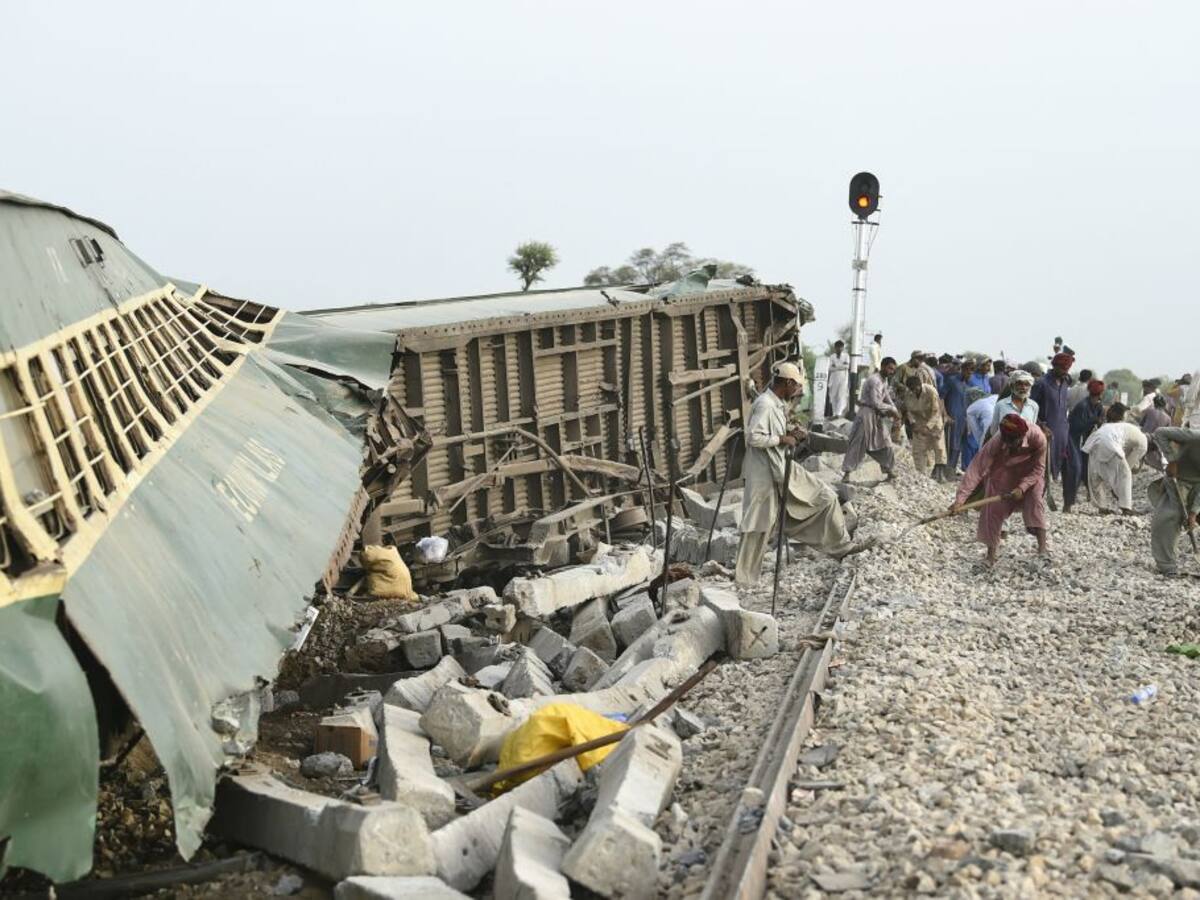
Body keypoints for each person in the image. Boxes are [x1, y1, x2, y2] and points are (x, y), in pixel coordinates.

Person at [735, 362, 868, 585]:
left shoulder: (775, 403)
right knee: (758, 524)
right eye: (795, 386)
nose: (797, 391)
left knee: (824, 498)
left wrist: (791, 432)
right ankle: (745, 580)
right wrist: (782, 439)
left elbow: (772, 432)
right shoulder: (765, 404)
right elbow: (753, 438)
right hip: (764, 473)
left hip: (780, 467)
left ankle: (841, 547)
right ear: (787, 383)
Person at [953, 414, 1048, 564]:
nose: (1009, 445)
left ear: (1022, 436)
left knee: (1036, 501)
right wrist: (960, 500)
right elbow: (977, 468)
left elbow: (1039, 468)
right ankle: (990, 556)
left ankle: (1043, 550)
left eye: (1013, 442)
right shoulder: (998, 440)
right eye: (1007, 442)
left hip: (1030, 473)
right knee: (993, 509)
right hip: (1005, 471)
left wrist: (1022, 488)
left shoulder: (1038, 438)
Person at [1148, 426, 1200, 576]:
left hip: (1198, 485)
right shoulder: (1194, 436)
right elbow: (1160, 432)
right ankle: (1167, 565)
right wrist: (1172, 460)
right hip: (1179, 479)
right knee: (1171, 517)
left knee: (1192, 516)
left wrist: (1193, 513)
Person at [1032, 352, 1078, 511]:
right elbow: (1031, 409)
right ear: (1055, 366)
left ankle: (1068, 504)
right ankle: (1035, 504)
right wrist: (1041, 425)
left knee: (1074, 467)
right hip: (1045, 432)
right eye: (1062, 369)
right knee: (1041, 471)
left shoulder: (1066, 382)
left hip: (1064, 433)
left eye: (1067, 369)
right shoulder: (1041, 384)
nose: (1065, 372)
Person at [1083, 405, 1148, 515]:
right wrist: (1128, 467)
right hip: (1109, 442)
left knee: (1096, 477)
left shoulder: (1111, 426)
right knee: (1125, 474)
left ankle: (1102, 507)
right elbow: (1135, 456)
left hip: (1095, 442)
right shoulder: (1143, 440)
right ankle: (1126, 508)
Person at [843, 357, 899, 481]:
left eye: (893, 370)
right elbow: (876, 403)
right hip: (866, 414)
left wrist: (894, 408)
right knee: (858, 443)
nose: (891, 372)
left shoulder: (883, 380)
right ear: (883, 366)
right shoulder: (874, 380)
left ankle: (889, 470)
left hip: (877, 416)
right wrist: (892, 409)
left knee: (885, 442)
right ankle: (847, 474)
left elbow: (887, 397)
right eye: (890, 368)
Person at [1068, 379, 1106, 497]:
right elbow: (1078, 426)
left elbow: (1100, 423)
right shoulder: (1083, 406)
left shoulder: (1098, 406)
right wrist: (1094, 421)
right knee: (1079, 468)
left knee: (1088, 468)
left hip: (1089, 442)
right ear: (1101, 393)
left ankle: (1090, 493)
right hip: (1077, 441)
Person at [905, 373, 946, 478]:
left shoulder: (930, 391)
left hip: (934, 422)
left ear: (920, 385)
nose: (914, 391)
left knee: (939, 448)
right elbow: (909, 411)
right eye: (911, 389)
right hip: (919, 422)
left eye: (916, 389)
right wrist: (913, 423)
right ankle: (921, 474)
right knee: (918, 449)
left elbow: (936, 412)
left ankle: (939, 474)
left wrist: (928, 427)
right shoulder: (908, 394)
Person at [942, 360, 972, 475]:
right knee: (950, 443)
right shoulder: (952, 381)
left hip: (963, 420)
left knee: (958, 445)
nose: (970, 373)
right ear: (963, 369)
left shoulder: (969, 386)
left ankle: (952, 469)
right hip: (952, 418)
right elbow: (941, 397)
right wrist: (945, 414)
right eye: (969, 370)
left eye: (972, 370)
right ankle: (946, 468)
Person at [990, 370, 1039, 437]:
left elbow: (1033, 429)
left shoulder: (1034, 406)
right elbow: (993, 431)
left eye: (1027, 384)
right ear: (1012, 385)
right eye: (1020, 384)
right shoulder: (1001, 405)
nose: (1023, 387)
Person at [966, 388, 999, 472]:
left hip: (990, 426)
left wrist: (981, 444)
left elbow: (976, 431)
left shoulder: (970, 409)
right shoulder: (995, 397)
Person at [1141, 395, 1173, 471]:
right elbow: (1168, 434)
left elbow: (1141, 424)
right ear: (1165, 405)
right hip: (1155, 443)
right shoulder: (1168, 418)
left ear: (1154, 403)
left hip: (1144, 438)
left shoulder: (1149, 411)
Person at [827, 340, 850, 418]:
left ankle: (838, 413)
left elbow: (847, 366)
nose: (839, 349)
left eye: (840, 347)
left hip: (843, 379)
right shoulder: (832, 356)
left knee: (841, 396)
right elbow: (830, 368)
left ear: (843, 348)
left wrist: (836, 366)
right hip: (834, 379)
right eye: (837, 347)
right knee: (833, 396)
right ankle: (834, 413)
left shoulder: (846, 356)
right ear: (835, 348)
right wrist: (841, 366)